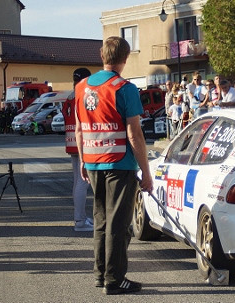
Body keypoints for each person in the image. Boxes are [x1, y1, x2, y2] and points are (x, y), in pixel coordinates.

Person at [75, 36, 153, 295]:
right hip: (120, 163)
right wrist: (147, 172)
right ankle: (115, 279)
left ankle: (100, 273)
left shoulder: (82, 86)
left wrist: (84, 160)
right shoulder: (124, 88)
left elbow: (79, 129)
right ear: (126, 58)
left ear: (102, 55)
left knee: (101, 221)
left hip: (94, 161)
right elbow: (135, 135)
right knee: (118, 225)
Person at [63, 67, 93, 232]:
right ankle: (80, 221)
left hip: (71, 143)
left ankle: (79, 217)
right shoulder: (83, 95)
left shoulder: (69, 96)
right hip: (82, 142)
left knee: (77, 182)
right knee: (83, 182)